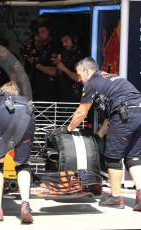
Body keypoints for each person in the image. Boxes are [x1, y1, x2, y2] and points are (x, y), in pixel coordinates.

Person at [52, 57, 141, 211]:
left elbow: (81, 113)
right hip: (137, 112)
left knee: (112, 157)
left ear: (87, 71)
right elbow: (110, 116)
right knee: (134, 157)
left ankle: (115, 197)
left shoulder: (91, 84)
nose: (79, 79)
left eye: (79, 75)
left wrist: (68, 129)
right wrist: (99, 136)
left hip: (125, 115)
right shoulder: (111, 78)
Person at [0, 81, 35, 223]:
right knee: (22, 164)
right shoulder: (25, 101)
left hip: (2, 116)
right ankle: (25, 204)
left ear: (0, 92)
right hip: (28, 115)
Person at [52, 33, 84, 102]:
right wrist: (58, 65)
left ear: (74, 40)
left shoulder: (81, 55)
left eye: (66, 41)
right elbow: (59, 75)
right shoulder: (65, 54)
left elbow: (79, 78)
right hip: (64, 95)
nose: (64, 44)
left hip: (76, 97)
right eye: (62, 42)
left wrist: (63, 68)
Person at [33, 23, 61, 101]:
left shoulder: (54, 47)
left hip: (50, 90)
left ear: (49, 32)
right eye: (39, 33)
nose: (40, 35)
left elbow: (54, 71)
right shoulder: (42, 48)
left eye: (43, 32)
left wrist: (37, 65)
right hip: (39, 89)